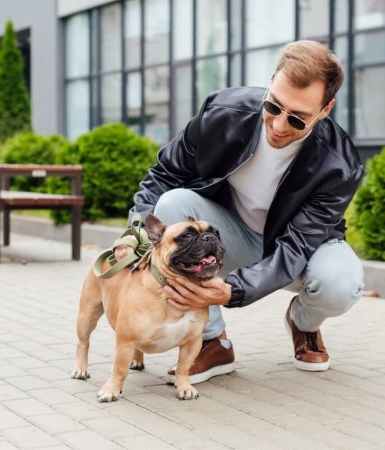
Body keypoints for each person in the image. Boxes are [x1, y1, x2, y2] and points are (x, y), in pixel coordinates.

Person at [115, 40, 364, 384]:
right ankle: (213, 341)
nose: (278, 125)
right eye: (274, 106)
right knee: (172, 204)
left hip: (299, 248)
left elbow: (296, 247)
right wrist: (137, 237)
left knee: (341, 284)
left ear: (325, 109)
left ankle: (303, 324)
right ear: (271, 81)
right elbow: (163, 175)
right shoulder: (222, 113)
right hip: (231, 234)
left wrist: (234, 291)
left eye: (297, 118)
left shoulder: (340, 164)